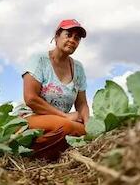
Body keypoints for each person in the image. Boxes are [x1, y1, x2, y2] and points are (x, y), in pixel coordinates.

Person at [21, 19, 89, 160]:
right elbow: (31, 99)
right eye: (68, 35)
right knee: (67, 127)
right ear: (57, 36)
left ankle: (47, 154)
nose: (72, 40)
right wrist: (64, 116)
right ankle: (23, 152)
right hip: (30, 116)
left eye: (77, 38)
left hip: (58, 121)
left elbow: (82, 103)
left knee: (83, 131)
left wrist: (89, 127)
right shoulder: (39, 60)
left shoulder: (78, 68)